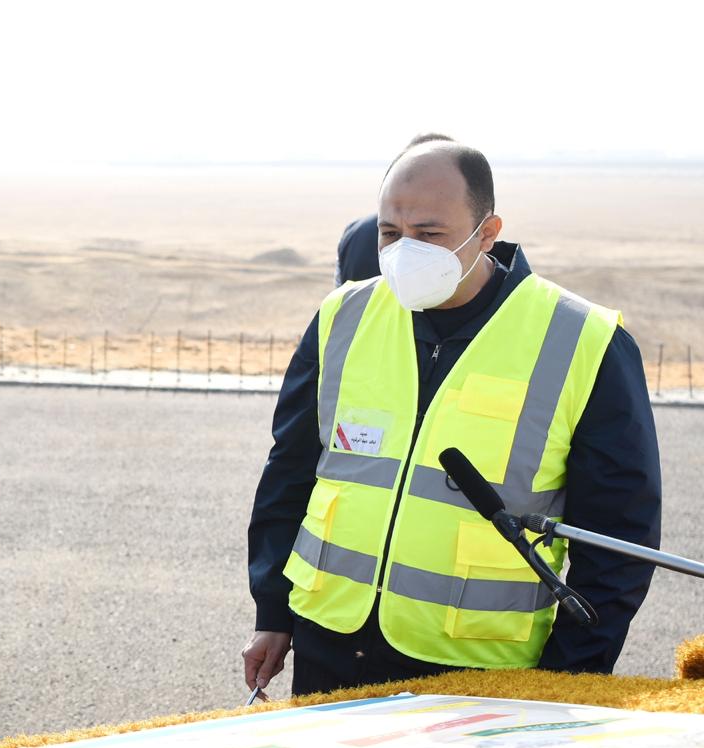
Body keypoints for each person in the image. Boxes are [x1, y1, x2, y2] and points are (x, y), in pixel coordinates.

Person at [244, 141, 660, 698]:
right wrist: (273, 611)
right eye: (390, 232)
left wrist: (569, 679)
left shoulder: (583, 341)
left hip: (478, 672)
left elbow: (618, 535)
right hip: (330, 647)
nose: (404, 250)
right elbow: (290, 473)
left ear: (487, 232)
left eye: (429, 233)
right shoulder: (342, 316)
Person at [334, 133, 454, 286]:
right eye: (390, 234)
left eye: (430, 234)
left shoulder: (354, 233)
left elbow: (340, 289)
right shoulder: (464, 233)